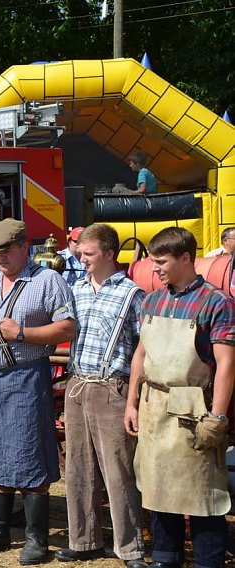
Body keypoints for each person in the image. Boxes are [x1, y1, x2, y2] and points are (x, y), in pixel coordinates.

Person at [0, 218, 75, 565]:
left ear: (25, 246)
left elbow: (68, 326)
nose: (0, 258)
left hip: (26, 377)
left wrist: (21, 333)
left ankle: (36, 538)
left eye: (6, 251)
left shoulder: (48, 280)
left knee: (29, 453)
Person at [124, 227, 235, 568]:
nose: (155, 268)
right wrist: (132, 402)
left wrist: (217, 417)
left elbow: (227, 363)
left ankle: (207, 563)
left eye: (161, 261)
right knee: (158, 494)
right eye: (152, 261)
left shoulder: (217, 303)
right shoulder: (152, 300)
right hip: (154, 409)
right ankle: (164, 560)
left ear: (185, 258)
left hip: (194, 412)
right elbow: (140, 355)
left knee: (203, 498)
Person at [54, 224, 147, 568]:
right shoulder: (75, 289)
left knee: (117, 472)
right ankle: (84, 541)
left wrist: (134, 397)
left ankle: (129, 547)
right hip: (78, 385)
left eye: (88, 254)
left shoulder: (132, 294)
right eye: (80, 252)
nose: (81, 258)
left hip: (113, 387)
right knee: (78, 468)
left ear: (110, 254)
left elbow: (143, 349)